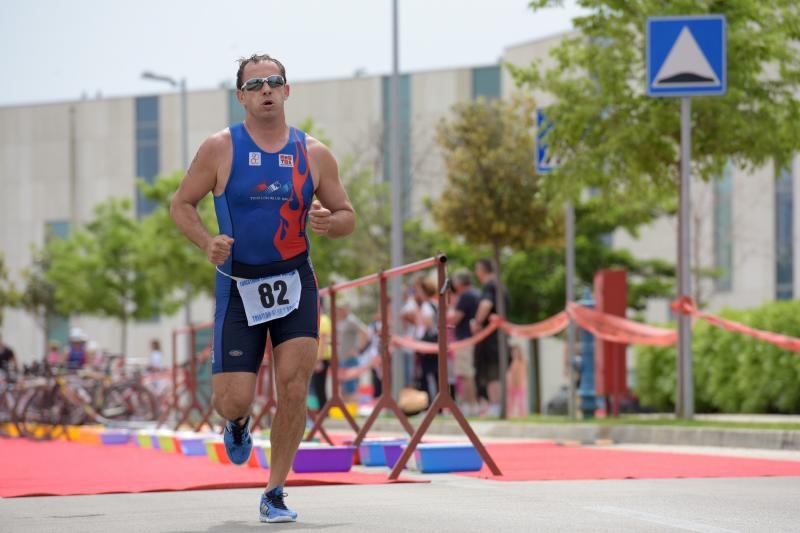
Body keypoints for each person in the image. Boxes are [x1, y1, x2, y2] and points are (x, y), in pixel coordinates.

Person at [170, 53, 355, 523]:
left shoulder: (314, 154)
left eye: (274, 82)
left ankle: (274, 491)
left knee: (293, 387)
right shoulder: (220, 148)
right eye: (255, 85)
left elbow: (347, 215)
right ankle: (237, 421)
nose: (266, 90)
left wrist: (330, 223)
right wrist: (207, 242)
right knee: (231, 398)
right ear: (241, 96)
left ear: (287, 90)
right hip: (238, 285)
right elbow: (181, 204)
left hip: (295, 283)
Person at [471, 258, 508, 417]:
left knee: (492, 374)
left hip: (491, 337)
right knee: (495, 373)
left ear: (482, 270)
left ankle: (495, 406)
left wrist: (477, 322)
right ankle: (496, 406)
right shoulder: (501, 286)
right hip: (499, 336)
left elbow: (486, 304)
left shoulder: (490, 286)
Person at [447, 269, 480, 416]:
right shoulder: (476, 293)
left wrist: (450, 312)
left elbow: (456, 318)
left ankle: (470, 405)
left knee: (465, 374)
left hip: (464, 340)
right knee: (467, 373)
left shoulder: (466, 296)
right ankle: (471, 404)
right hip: (471, 339)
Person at [334, 300, 370, 405]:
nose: (338, 311)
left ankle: (353, 410)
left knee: (351, 388)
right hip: (343, 358)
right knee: (344, 388)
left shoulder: (351, 320)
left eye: (341, 309)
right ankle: (347, 410)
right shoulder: (342, 321)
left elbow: (365, 332)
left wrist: (358, 349)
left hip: (350, 359)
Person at [309, 299, 331, 410]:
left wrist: (320, 360)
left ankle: (323, 409)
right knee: (316, 386)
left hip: (322, 357)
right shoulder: (320, 318)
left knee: (319, 386)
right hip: (319, 357)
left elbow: (324, 341)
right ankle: (320, 409)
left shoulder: (323, 319)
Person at [507, 342, 528, 417]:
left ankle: (522, 414)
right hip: (511, 385)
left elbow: (522, 373)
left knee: (521, 401)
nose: (514, 353)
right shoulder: (511, 362)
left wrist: (519, 382)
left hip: (520, 385)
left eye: (516, 352)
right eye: (513, 352)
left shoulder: (522, 362)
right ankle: (509, 414)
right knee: (511, 401)